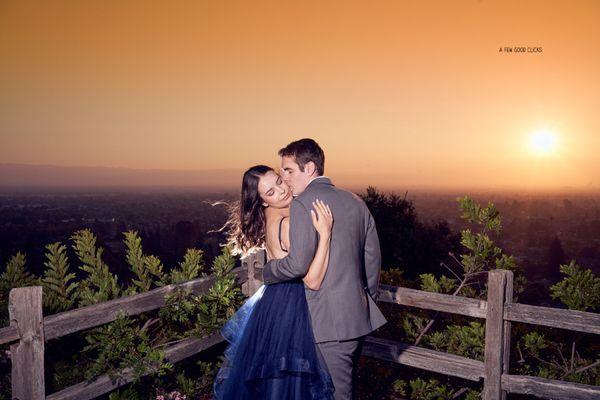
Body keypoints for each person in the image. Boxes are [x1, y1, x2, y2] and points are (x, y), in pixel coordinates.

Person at [262, 138, 387, 400]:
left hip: (327, 323)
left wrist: (269, 271)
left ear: (309, 168)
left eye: (288, 171)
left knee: (335, 393)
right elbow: (372, 259)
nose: (284, 179)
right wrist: (364, 300)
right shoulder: (355, 201)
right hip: (355, 318)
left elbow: (297, 264)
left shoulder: (303, 203)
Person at [214, 165, 335, 399]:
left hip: (274, 301)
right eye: (270, 192)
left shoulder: (273, 215)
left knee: (274, 380)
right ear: (263, 201)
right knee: (289, 381)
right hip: (292, 303)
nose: (281, 191)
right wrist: (326, 234)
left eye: (279, 181)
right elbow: (312, 277)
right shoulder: (287, 221)